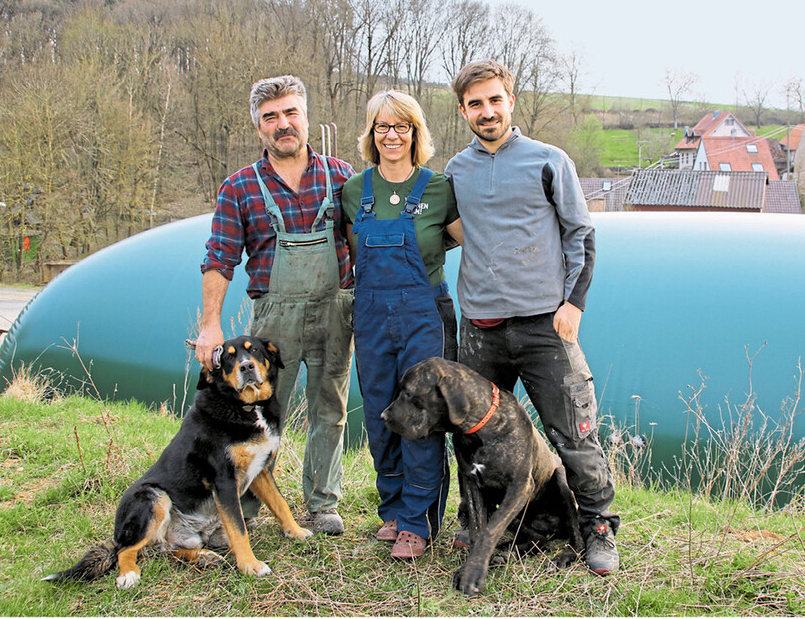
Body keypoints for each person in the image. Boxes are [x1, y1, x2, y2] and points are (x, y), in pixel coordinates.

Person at [444, 60, 620, 575]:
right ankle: (478, 524)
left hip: (547, 327)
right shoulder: (456, 170)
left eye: (495, 100)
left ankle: (599, 528)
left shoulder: (549, 161)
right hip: (481, 330)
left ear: (511, 101)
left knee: (574, 433)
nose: (487, 111)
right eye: (475, 104)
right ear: (463, 111)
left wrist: (574, 303)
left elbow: (581, 235)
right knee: (475, 436)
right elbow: (449, 230)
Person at [195, 74, 354, 536]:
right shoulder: (239, 187)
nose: (283, 124)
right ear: (258, 127)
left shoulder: (342, 177)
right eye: (271, 117)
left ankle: (323, 503)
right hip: (273, 320)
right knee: (259, 410)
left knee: (330, 407)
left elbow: (364, 247)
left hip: (334, 311)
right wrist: (210, 325)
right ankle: (246, 503)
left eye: (291, 113)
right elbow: (220, 258)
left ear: (306, 118)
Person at [342, 90, 462, 560]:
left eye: (402, 126)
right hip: (371, 314)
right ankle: (392, 509)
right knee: (379, 415)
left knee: (420, 417)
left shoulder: (439, 188)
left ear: (416, 132)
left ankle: (419, 520)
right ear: (372, 134)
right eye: (382, 127)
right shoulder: (355, 191)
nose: (392, 135)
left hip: (424, 313)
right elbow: (355, 254)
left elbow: (471, 243)